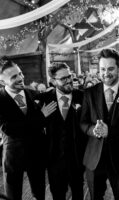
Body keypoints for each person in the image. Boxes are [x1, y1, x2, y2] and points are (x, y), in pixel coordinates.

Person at [0, 59, 57, 200]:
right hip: (14, 156)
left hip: (37, 153)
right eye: (14, 77)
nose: (21, 78)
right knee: (13, 196)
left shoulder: (33, 94)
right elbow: (9, 129)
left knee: (39, 194)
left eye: (20, 73)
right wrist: (41, 117)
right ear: (2, 82)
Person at [80, 48, 119, 200]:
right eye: (102, 69)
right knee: (95, 196)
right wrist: (91, 130)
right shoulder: (89, 93)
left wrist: (111, 132)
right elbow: (83, 122)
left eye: (111, 68)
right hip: (94, 157)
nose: (106, 73)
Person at [35, 63, 87, 200]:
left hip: (77, 157)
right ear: (53, 81)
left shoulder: (83, 97)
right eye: (63, 78)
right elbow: (34, 127)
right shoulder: (44, 100)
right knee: (57, 193)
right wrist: (41, 116)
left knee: (78, 192)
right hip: (54, 158)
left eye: (69, 76)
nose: (69, 80)